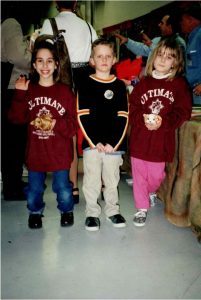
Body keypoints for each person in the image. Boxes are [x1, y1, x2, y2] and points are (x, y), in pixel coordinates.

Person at [8, 39, 77, 229]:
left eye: (49, 61)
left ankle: (66, 210)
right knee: (34, 191)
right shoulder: (27, 89)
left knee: (63, 189)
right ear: (33, 64)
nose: (44, 65)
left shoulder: (65, 93)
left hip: (60, 153)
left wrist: (55, 123)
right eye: (40, 60)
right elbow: (16, 118)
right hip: (35, 153)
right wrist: (20, 95)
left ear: (56, 64)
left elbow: (72, 126)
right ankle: (35, 212)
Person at [129, 38, 192, 227]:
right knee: (139, 175)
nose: (163, 60)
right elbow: (132, 107)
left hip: (161, 141)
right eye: (160, 55)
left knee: (156, 176)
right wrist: (143, 119)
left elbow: (183, 112)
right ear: (153, 57)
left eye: (169, 57)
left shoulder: (179, 84)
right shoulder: (143, 83)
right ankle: (141, 208)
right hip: (140, 139)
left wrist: (163, 122)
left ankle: (150, 192)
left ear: (176, 62)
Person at [40, 0, 98, 204]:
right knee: (90, 131)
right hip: (87, 83)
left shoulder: (48, 24)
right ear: (75, 3)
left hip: (61, 82)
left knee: (67, 135)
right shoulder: (88, 27)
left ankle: (71, 186)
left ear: (56, 3)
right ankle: (95, 184)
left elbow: (41, 55)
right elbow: (96, 57)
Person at [77, 38, 129, 231]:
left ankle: (112, 211)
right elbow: (83, 115)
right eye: (100, 56)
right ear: (92, 60)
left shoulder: (119, 86)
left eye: (108, 56)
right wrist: (95, 141)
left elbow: (123, 116)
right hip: (92, 144)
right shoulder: (85, 84)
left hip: (114, 145)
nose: (104, 60)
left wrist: (113, 143)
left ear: (114, 59)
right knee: (91, 180)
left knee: (112, 179)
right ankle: (91, 213)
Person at [1, 4, 32, 200]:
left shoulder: (7, 23)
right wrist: (35, 58)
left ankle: (13, 182)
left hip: (9, 87)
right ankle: (13, 187)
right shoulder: (12, 23)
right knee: (14, 140)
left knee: (10, 139)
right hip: (13, 87)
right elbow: (18, 56)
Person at [115, 13, 186, 61]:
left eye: (162, 23)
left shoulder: (179, 42)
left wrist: (151, 45)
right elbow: (142, 49)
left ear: (169, 27)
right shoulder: (157, 40)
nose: (159, 25)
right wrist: (128, 41)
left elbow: (172, 57)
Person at [180, 4, 201, 105]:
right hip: (194, 91)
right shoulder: (191, 38)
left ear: (191, 20)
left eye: (183, 20)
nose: (181, 23)